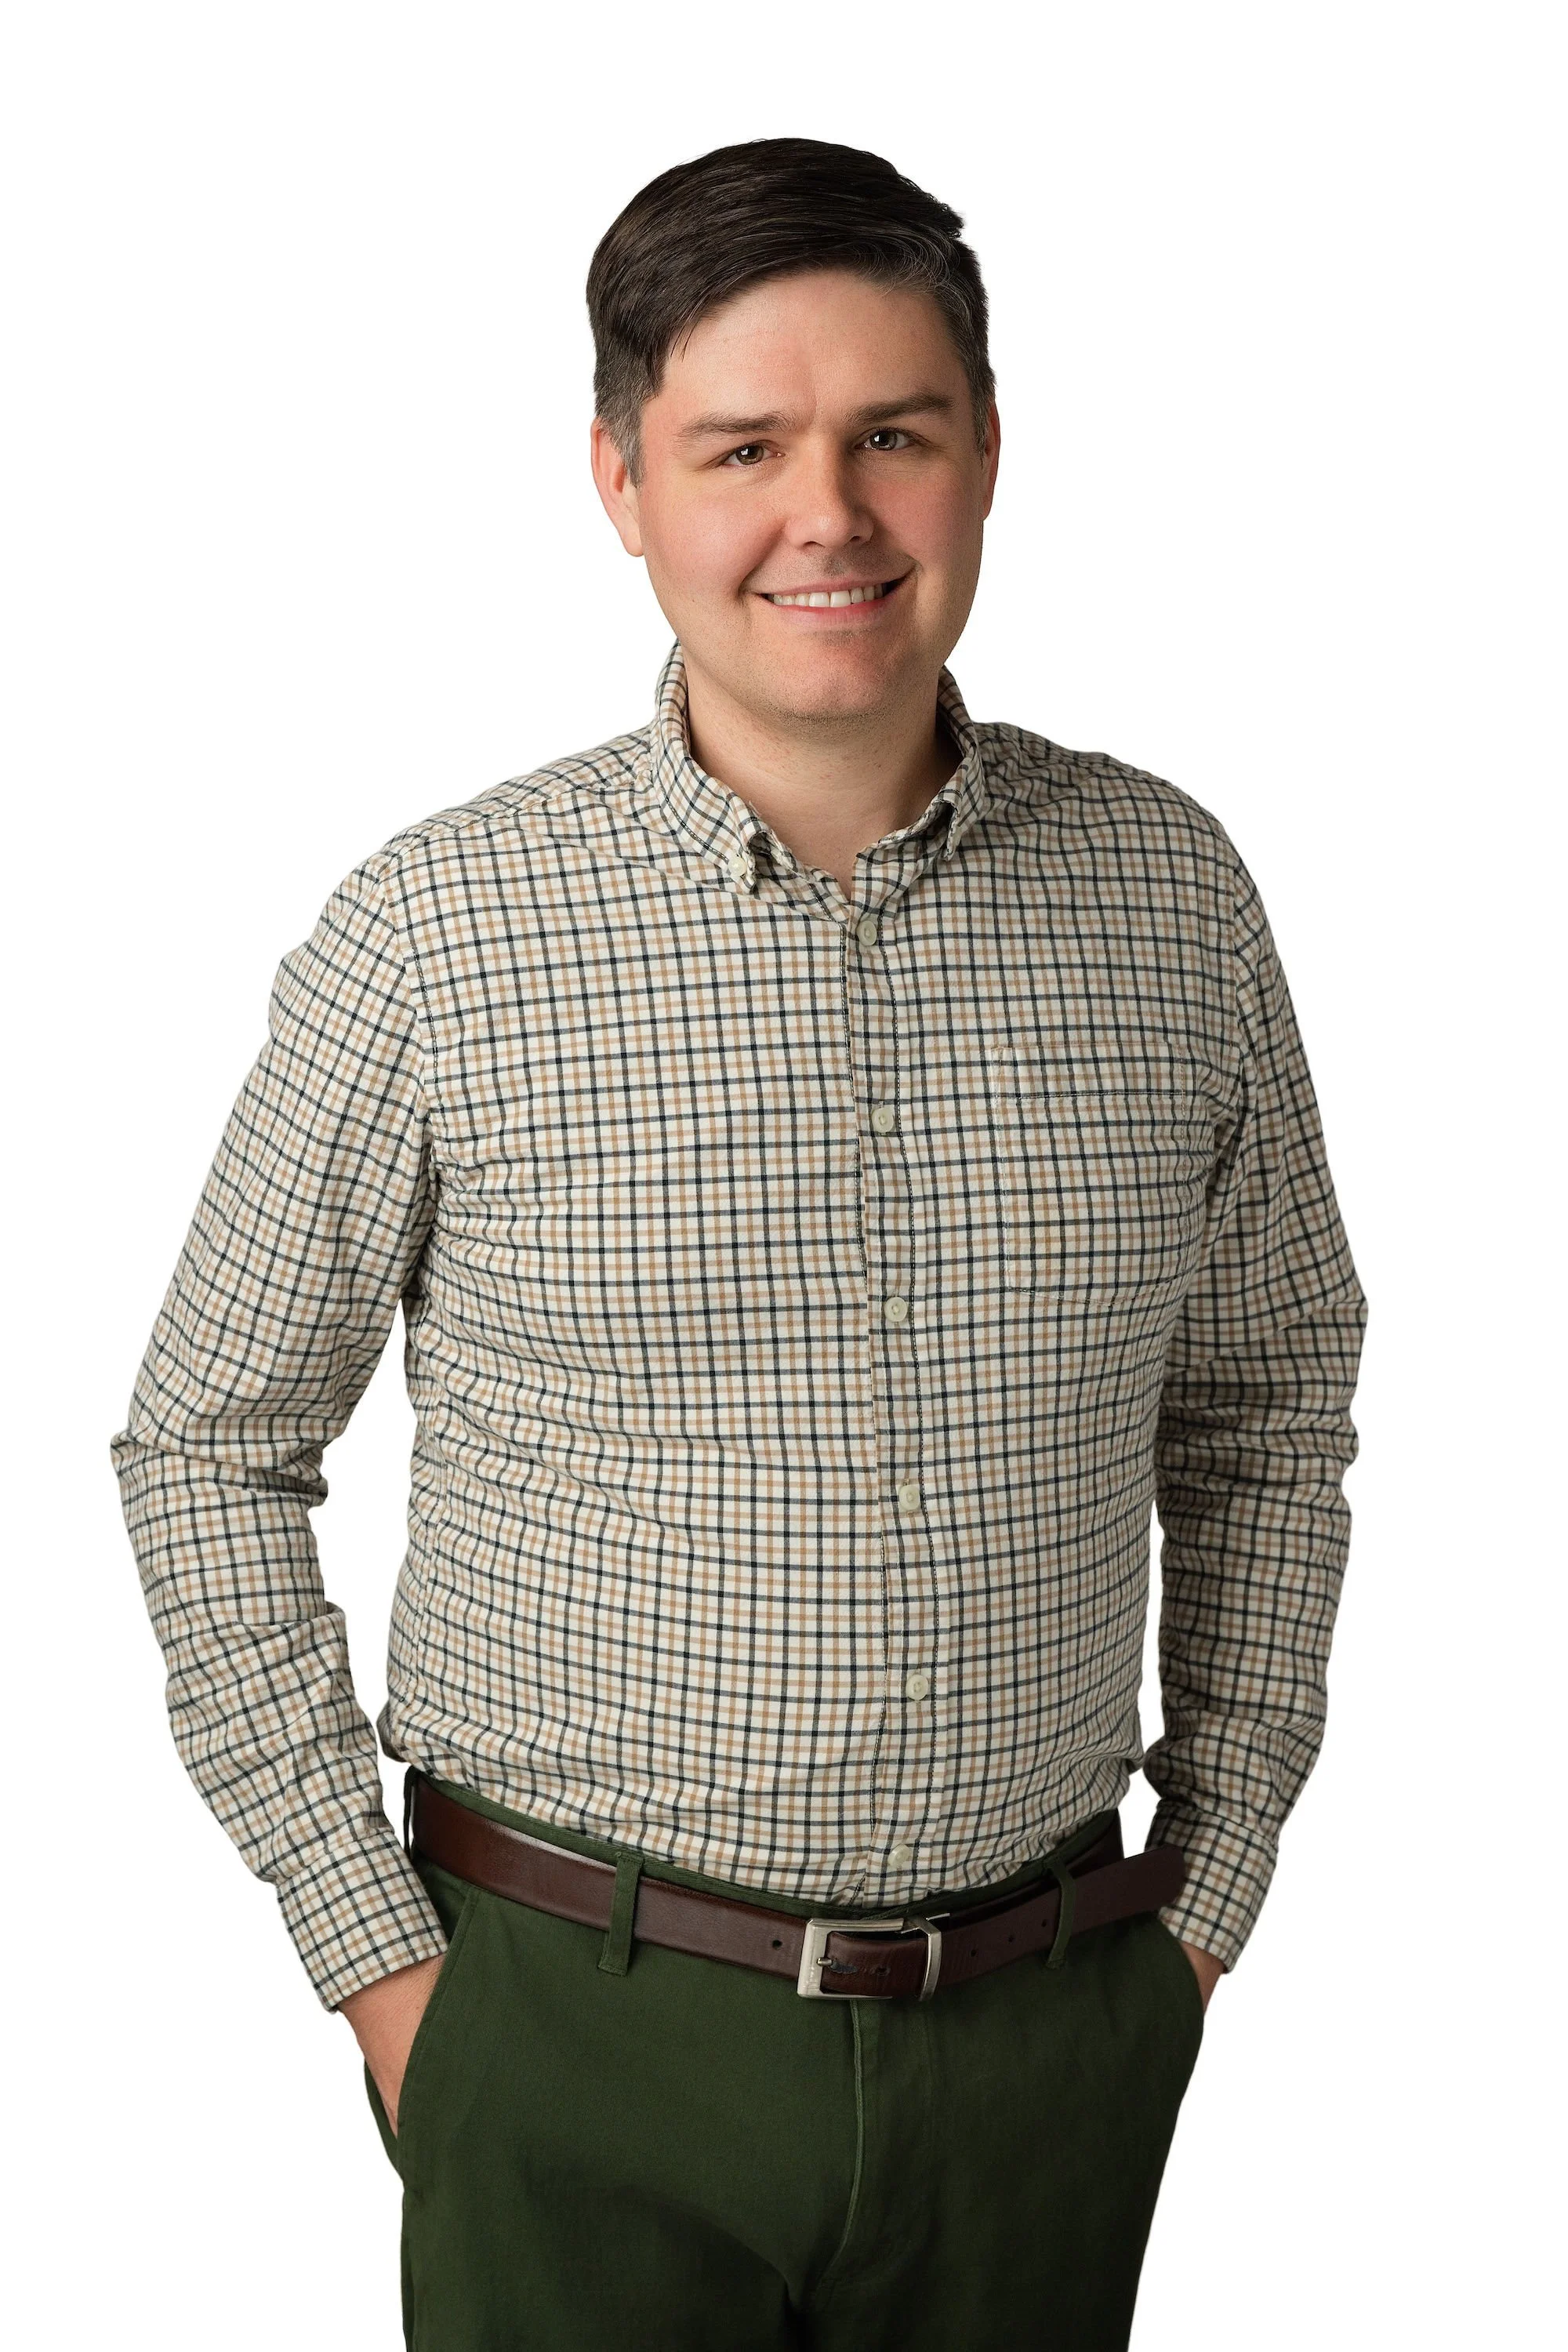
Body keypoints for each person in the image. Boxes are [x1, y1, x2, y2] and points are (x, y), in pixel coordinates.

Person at [113, 137, 1367, 2350]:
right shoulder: (440, 933)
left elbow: (1268, 1416)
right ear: (619, 478)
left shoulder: (1175, 899)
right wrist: (388, 1970)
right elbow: (209, 1442)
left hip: (1049, 2037)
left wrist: (1209, 1895)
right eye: (743, 446)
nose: (833, 517)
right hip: (569, 2028)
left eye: (896, 433)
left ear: (987, 456)